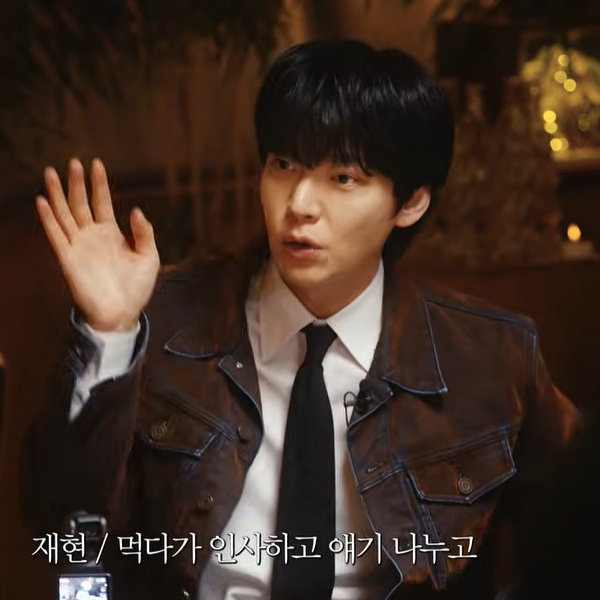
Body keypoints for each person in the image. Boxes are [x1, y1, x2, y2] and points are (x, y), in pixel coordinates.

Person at [21, 39, 577, 600]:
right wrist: (110, 334)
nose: (300, 204)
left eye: (344, 178)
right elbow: (60, 522)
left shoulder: (491, 356)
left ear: (409, 202)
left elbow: (576, 532)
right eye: (284, 165)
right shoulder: (160, 319)